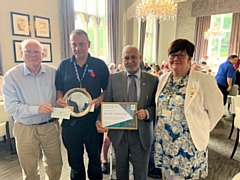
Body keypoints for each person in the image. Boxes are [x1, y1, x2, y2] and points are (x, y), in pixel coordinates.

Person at [154, 39, 224, 180]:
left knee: (184, 177)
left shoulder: (204, 80)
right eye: (172, 55)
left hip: (188, 142)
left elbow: (217, 111)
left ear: (190, 58)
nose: (175, 59)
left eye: (181, 55)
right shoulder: (163, 78)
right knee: (167, 175)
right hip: (165, 139)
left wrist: (201, 127)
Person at [2, 39, 63, 180]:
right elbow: (11, 107)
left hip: (50, 126)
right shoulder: (11, 77)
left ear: (43, 54)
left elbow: (60, 94)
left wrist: (61, 103)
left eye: (36, 52)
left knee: (55, 164)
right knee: (30, 169)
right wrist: (37, 109)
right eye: (28, 51)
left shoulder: (53, 72)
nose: (32, 55)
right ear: (21, 54)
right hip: (25, 129)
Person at [96, 45, 159, 180]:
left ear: (140, 58)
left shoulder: (153, 80)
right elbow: (107, 103)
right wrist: (99, 120)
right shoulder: (113, 79)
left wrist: (147, 113)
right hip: (119, 135)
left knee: (141, 173)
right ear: (122, 59)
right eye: (126, 58)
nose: (130, 61)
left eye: (133, 57)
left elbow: (157, 106)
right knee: (121, 171)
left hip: (141, 134)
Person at [55, 29, 109, 180]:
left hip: (93, 121)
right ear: (71, 46)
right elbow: (59, 88)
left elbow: (106, 89)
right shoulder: (63, 65)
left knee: (95, 160)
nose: (78, 48)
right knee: (75, 161)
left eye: (81, 44)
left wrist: (99, 99)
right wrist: (60, 100)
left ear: (88, 44)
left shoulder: (99, 65)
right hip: (70, 122)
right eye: (74, 45)